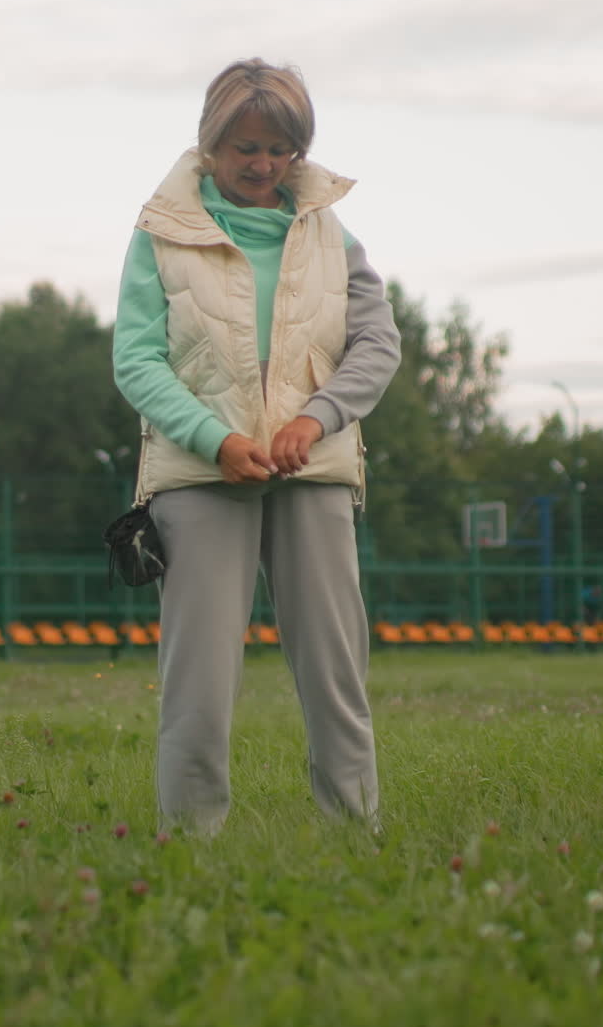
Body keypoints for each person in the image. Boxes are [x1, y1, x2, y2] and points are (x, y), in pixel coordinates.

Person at [113, 58, 401, 834]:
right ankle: (189, 845)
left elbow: (377, 343)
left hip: (316, 474)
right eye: (245, 148)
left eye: (281, 149)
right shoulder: (159, 236)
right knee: (197, 684)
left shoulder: (332, 234)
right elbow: (135, 360)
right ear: (210, 145)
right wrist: (218, 440)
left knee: (336, 674)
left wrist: (317, 419)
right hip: (201, 478)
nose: (263, 165)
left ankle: (355, 837)